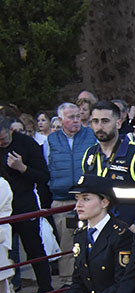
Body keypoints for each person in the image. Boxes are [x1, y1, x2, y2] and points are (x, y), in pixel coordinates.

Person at [0, 112, 55, 293]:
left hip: (25, 205)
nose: (2, 142)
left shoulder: (27, 144)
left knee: (35, 250)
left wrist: (22, 168)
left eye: (4, 138)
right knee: (4, 253)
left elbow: (43, 176)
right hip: (2, 209)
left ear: (11, 130)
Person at [45, 102, 96, 276]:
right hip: (62, 197)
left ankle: (93, 276)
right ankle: (67, 280)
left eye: (78, 116)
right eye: (71, 117)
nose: (76, 120)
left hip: (88, 195)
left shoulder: (90, 135)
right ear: (60, 119)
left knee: (91, 239)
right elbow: (47, 166)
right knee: (66, 244)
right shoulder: (51, 140)